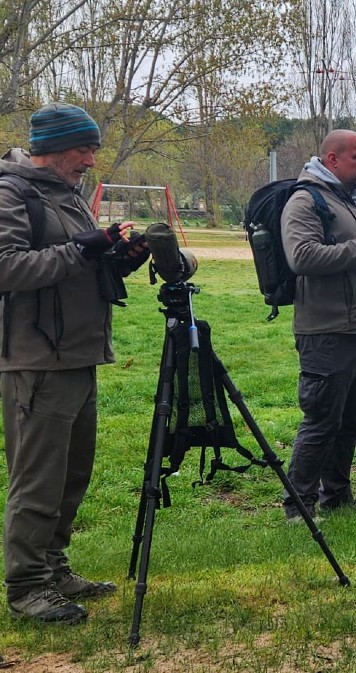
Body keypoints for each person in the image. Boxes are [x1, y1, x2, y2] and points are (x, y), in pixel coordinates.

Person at [0, 103, 148, 623]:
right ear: (55, 147)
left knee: (71, 474)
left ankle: (54, 567)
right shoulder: (12, 192)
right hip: (37, 358)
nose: (91, 159)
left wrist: (116, 261)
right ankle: (27, 586)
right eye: (85, 149)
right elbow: (7, 267)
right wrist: (82, 251)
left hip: (79, 353)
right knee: (38, 479)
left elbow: (79, 263)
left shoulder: (69, 194)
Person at [280, 129, 356, 521]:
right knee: (322, 421)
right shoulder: (306, 200)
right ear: (332, 160)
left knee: (351, 420)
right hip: (328, 332)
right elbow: (302, 257)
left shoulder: (355, 201)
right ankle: (299, 505)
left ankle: (336, 495)